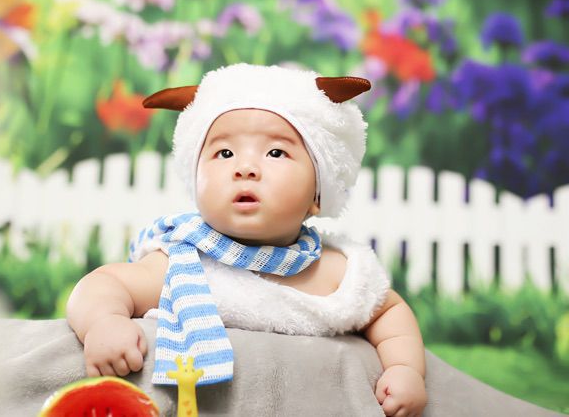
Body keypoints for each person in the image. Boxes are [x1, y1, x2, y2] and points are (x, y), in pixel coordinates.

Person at [66, 63, 427, 416]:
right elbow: (103, 284)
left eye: (276, 152)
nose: (245, 168)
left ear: (319, 193)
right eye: (225, 153)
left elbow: (389, 312)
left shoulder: (338, 273)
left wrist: (404, 368)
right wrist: (103, 321)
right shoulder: (182, 263)